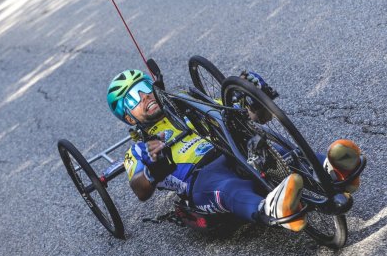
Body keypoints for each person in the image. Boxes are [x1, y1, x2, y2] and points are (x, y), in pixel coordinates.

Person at [108, 69, 363, 232]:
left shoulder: (188, 105)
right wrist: (153, 169)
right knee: (228, 186)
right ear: (129, 118)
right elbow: (140, 189)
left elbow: (249, 117)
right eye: (132, 98)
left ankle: (333, 170)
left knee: (280, 153)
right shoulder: (139, 149)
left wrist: (255, 97)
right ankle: (271, 209)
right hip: (200, 176)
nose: (144, 97)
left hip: (232, 147)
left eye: (144, 88)